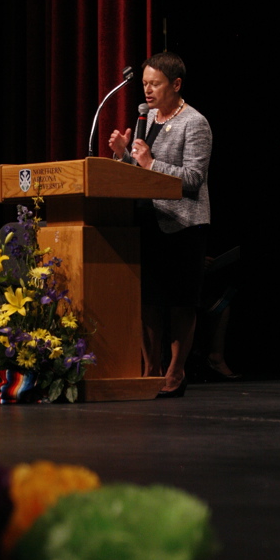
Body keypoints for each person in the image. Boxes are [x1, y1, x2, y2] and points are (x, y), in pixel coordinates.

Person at [108, 52, 212, 397]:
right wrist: (124, 155)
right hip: (148, 221)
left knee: (181, 302)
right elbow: (140, 173)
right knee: (149, 301)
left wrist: (150, 162)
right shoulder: (147, 117)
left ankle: (175, 372)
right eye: (144, 84)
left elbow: (193, 178)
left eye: (155, 84)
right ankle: (150, 369)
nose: (147, 91)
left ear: (176, 84)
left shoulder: (195, 123)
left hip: (182, 225)